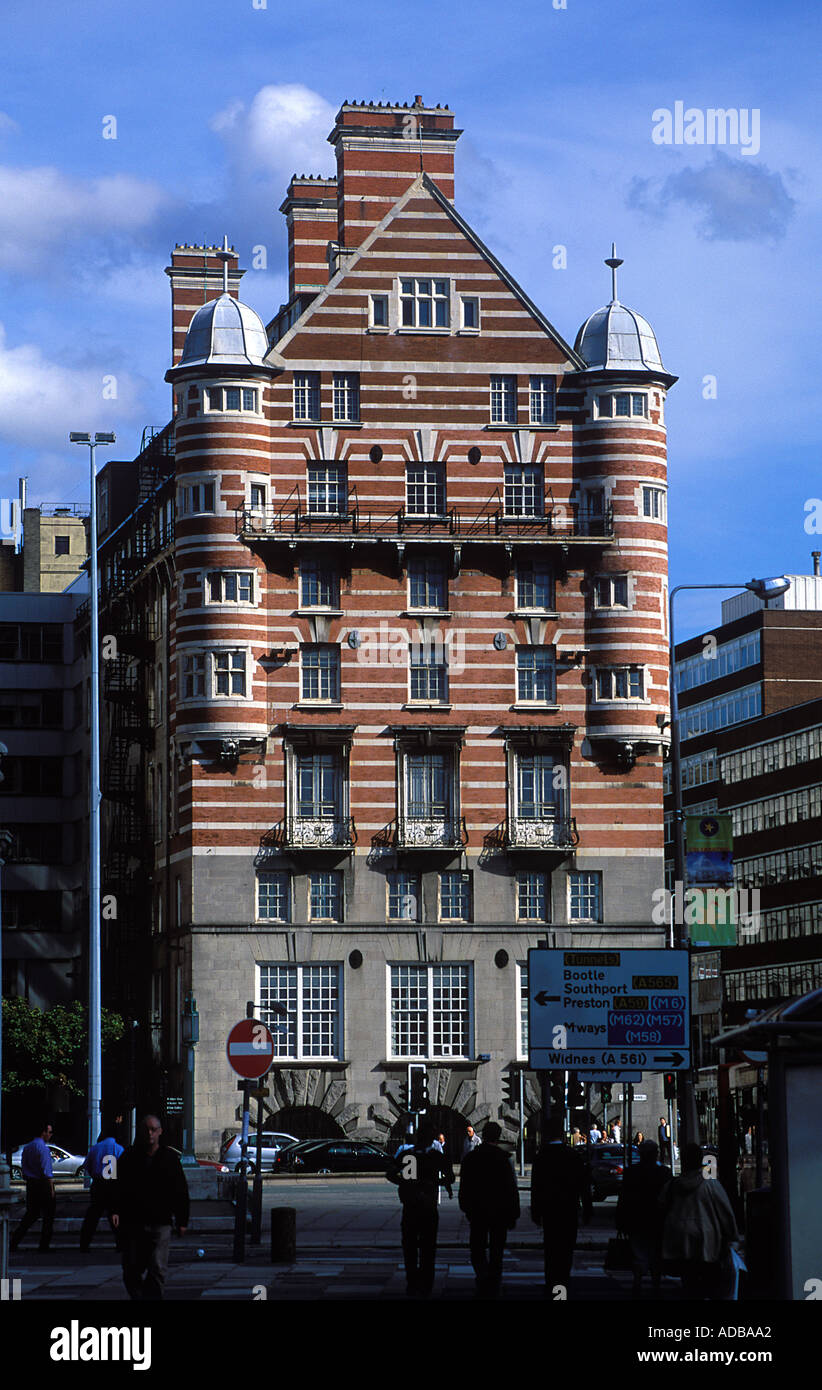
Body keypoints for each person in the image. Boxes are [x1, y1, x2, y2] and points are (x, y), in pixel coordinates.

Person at [110, 1114, 189, 1300]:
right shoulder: (128, 1157)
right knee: (131, 1268)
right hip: (134, 1221)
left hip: (160, 1221)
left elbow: (180, 1190)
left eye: (153, 1129)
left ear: (160, 1132)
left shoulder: (169, 1158)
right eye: (146, 1129)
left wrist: (182, 1220)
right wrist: (114, 1210)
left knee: (157, 1267)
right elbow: (116, 1186)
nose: (150, 1134)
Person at [660, 1142, 740, 1300]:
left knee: (688, 1280)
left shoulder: (673, 1185)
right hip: (707, 1239)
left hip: (680, 1240)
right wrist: (732, 1236)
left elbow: (661, 1207)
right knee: (708, 1279)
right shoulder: (710, 1184)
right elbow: (725, 1212)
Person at [386, 1119, 453, 1296]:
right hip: (428, 1206)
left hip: (410, 1206)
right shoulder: (435, 1156)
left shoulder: (408, 1155)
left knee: (409, 1246)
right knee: (428, 1247)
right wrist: (435, 1182)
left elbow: (390, 1172)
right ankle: (426, 1282)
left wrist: (404, 1182)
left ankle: (412, 1280)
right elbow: (450, 1177)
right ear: (432, 1139)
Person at [530, 1115, 592, 1296]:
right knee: (566, 1251)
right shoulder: (573, 1155)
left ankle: (552, 1284)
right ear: (562, 1134)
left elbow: (536, 1188)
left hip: (550, 1211)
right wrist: (587, 1209)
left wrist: (535, 1212)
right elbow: (584, 1186)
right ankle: (562, 1286)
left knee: (551, 1251)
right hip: (569, 1210)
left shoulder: (541, 1157)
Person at [458, 1121, 520, 1296]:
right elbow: (511, 1188)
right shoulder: (504, 1158)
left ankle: (482, 1276)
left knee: (477, 1247)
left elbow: (465, 1186)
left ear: (483, 1135)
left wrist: (466, 1207)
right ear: (498, 1136)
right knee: (497, 1249)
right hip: (499, 1212)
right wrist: (514, 1213)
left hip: (478, 1210)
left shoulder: (471, 1158)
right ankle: (494, 1280)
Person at [617, 1140, 671, 1295]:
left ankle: (638, 1280)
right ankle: (655, 1282)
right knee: (656, 1252)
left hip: (637, 1218)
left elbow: (624, 1197)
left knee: (638, 1251)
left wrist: (620, 1220)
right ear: (656, 1154)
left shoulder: (631, 1172)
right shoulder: (664, 1173)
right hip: (657, 1218)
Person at [80, 1119, 125, 1253]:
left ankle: (85, 1243)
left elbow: (87, 1166)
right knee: (115, 1215)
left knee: (93, 1216)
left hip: (99, 1184)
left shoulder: (95, 1148)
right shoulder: (119, 1149)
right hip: (113, 1184)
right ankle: (120, 1243)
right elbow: (123, 1169)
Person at [10, 1121, 56, 1252]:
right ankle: (44, 1245)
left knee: (31, 1214)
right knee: (48, 1216)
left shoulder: (27, 1148)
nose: (51, 1135)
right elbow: (47, 1172)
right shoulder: (43, 1148)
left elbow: (25, 1167)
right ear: (44, 1133)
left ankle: (15, 1241)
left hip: (31, 1183)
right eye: (50, 1132)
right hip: (43, 1183)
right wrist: (51, 1189)